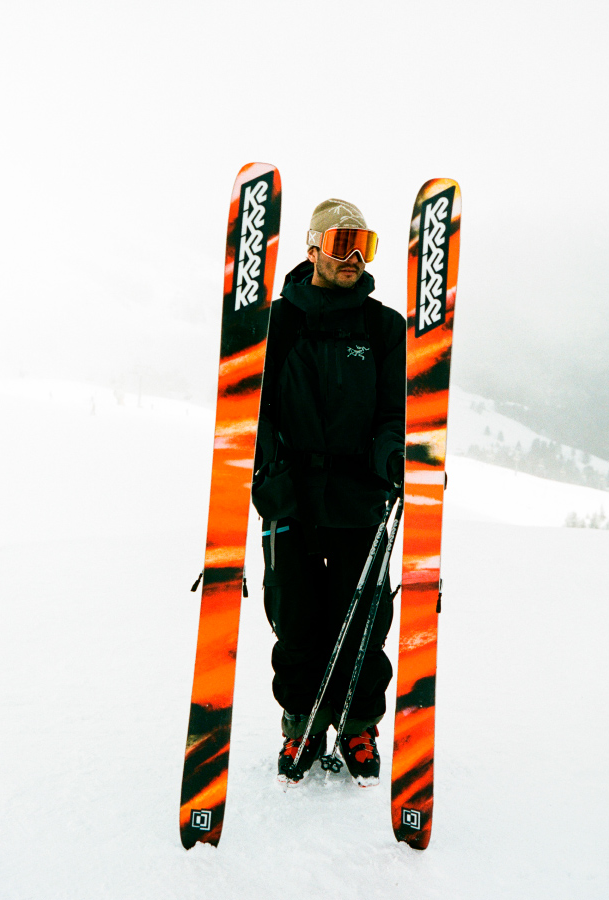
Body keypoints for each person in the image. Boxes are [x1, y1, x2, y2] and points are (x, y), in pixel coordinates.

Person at [252, 198, 405, 786]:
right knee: (295, 615)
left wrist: (393, 456)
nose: (354, 258)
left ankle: (359, 724)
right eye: (342, 244)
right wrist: (269, 473)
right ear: (313, 248)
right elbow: (257, 410)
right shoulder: (275, 324)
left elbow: (394, 412)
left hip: (359, 495)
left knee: (363, 616)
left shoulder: (383, 327)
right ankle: (303, 722)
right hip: (289, 491)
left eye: (364, 246)